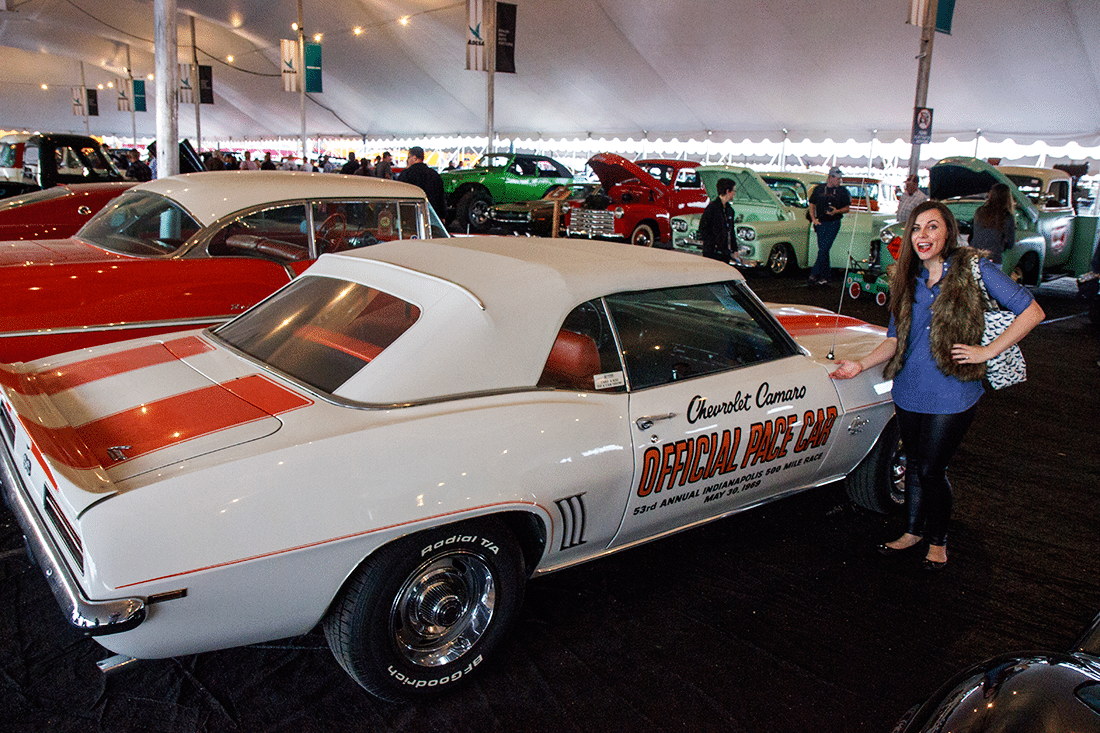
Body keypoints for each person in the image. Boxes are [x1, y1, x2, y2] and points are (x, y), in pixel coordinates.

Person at [831, 201, 1045, 570]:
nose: (922, 236)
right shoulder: (908, 279)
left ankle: (938, 540)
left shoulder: (973, 269)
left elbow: (1033, 311)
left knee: (931, 469)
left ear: (948, 231)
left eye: (932, 227)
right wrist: (860, 365)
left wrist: (987, 351)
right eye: (916, 228)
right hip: (909, 386)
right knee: (914, 464)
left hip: (953, 391)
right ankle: (912, 531)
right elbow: (896, 339)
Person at [808, 167, 851, 285]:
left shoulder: (843, 191)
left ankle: (815, 274)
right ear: (830, 178)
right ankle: (824, 276)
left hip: (834, 223)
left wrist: (836, 211)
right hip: (821, 222)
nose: (840, 181)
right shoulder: (819, 189)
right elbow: (811, 204)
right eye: (838, 178)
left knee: (823, 249)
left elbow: (847, 208)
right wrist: (813, 219)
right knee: (823, 250)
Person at [970, 183, 1015, 264]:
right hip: (994, 258)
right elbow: (1010, 244)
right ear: (1008, 198)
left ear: (991, 194)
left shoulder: (979, 211)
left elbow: (972, 234)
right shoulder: (1007, 216)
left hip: (975, 256)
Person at [397, 146, 446, 219]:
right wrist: (442, 216)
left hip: (410, 215)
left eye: (408, 157)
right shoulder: (434, 174)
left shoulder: (406, 174)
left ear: (414, 158)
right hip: (431, 215)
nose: (407, 160)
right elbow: (440, 197)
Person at [698, 177, 738, 264]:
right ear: (728, 191)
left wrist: (734, 249)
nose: (734, 194)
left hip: (724, 252)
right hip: (712, 252)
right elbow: (703, 228)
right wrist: (713, 243)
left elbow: (731, 231)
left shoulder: (729, 210)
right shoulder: (712, 209)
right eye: (733, 191)